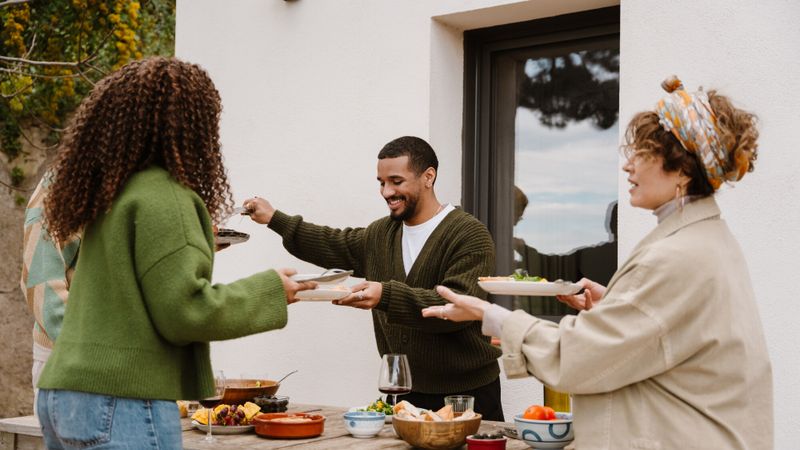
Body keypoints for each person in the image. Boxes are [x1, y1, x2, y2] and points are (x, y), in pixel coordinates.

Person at [422, 77, 773, 449]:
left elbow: (579, 360)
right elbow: (668, 330)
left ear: (683, 169)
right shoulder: (707, 239)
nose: (628, 167)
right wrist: (616, 306)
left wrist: (490, 315)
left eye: (643, 154)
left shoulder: (677, 256)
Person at [35, 57, 315, 448]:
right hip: (122, 399)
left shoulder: (113, 195)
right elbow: (185, 311)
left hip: (62, 394)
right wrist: (271, 290)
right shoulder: (166, 197)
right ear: (191, 125)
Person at [243, 136, 505, 420]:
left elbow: (461, 309)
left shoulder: (469, 235)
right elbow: (332, 243)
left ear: (428, 177)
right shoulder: (380, 234)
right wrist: (274, 219)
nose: (386, 191)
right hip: (404, 395)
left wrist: (386, 295)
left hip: (467, 396)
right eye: (381, 182)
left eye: (396, 181)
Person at [20, 177, 80, 415]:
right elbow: (41, 284)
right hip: (66, 361)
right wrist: (90, 350)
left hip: (119, 365)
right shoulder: (60, 184)